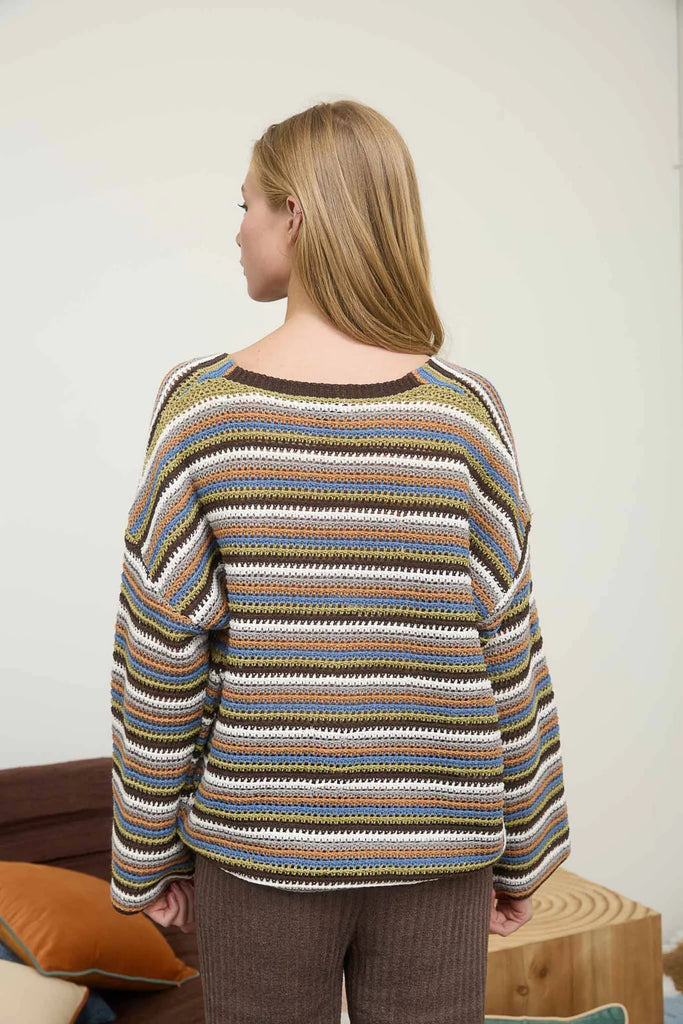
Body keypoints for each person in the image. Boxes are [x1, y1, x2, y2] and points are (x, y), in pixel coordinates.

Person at [110, 99, 571, 1023]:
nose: (237, 231)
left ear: (295, 213)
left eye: (245, 204)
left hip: (259, 853)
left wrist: (145, 852)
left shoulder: (203, 409)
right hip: (440, 851)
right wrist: (525, 844)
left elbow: (160, 654)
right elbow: (507, 646)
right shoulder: (463, 412)